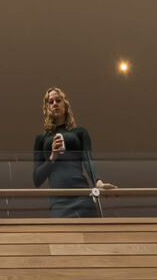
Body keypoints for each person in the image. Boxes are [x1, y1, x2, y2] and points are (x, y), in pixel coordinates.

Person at [33, 86, 108, 217]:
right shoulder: (41, 139)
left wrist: (98, 182)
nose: (55, 104)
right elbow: (37, 179)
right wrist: (52, 157)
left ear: (65, 104)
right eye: (51, 102)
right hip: (58, 201)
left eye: (58, 100)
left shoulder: (79, 132)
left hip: (82, 196)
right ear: (47, 108)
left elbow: (88, 159)